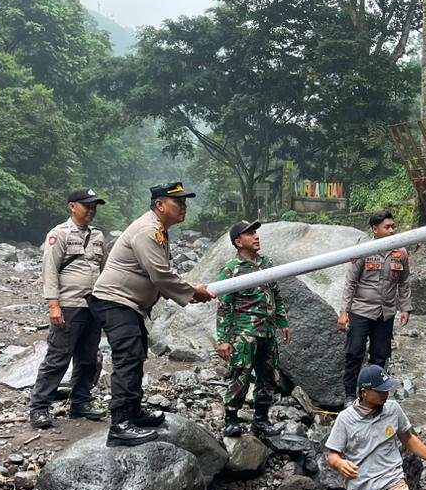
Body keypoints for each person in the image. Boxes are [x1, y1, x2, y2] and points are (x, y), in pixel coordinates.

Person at [88, 182, 214, 447]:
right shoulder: (148, 230)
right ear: (159, 205)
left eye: (185, 202)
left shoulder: (158, 230)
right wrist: (192, 292)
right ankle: (120, 425)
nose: (183, 207)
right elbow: (160, 275)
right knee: (128, 358)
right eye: (177, 202)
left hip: (128, 305)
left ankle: (133, 412)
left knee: (135, 355)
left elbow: (156, 278)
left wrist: (185, 292)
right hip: (116, 302)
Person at [29, 188, 108, 430]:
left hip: (92, 306)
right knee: (58, 358)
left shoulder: (98, 236)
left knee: (87, 358)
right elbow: (49, 271)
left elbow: (104, 269)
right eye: (87, 206)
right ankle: (39, 408)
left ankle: (80, 403)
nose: (91, 210)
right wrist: (54, 305)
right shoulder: (59, 234)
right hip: (69, 306)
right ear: (72, 206)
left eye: (94, 206)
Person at [215, 220, 291, 438]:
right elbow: (224, 306)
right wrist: (224, 339)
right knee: (240, 377)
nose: (256, 236)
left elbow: (276, 294)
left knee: (267, 377)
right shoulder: (231, 270)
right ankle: (231, 419)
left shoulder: (267, 263)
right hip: (244, 334)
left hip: (268, 332)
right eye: (250, 234)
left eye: (256, 233)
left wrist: (282, 322)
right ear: (238, 242)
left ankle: (261, 420)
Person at [338, 210, 411, 405]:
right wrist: (344, 311)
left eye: (393, 226)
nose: (391, 230)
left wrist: (405, 308)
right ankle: (350, 396)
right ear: (375, 229)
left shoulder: (401, 253)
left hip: (385, 313)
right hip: (361, 310)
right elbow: (350, 282)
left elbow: (403, 283)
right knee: (354, 353)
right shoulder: (363, 250)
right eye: (387, 227)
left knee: (380, 356)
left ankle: (375, 396)